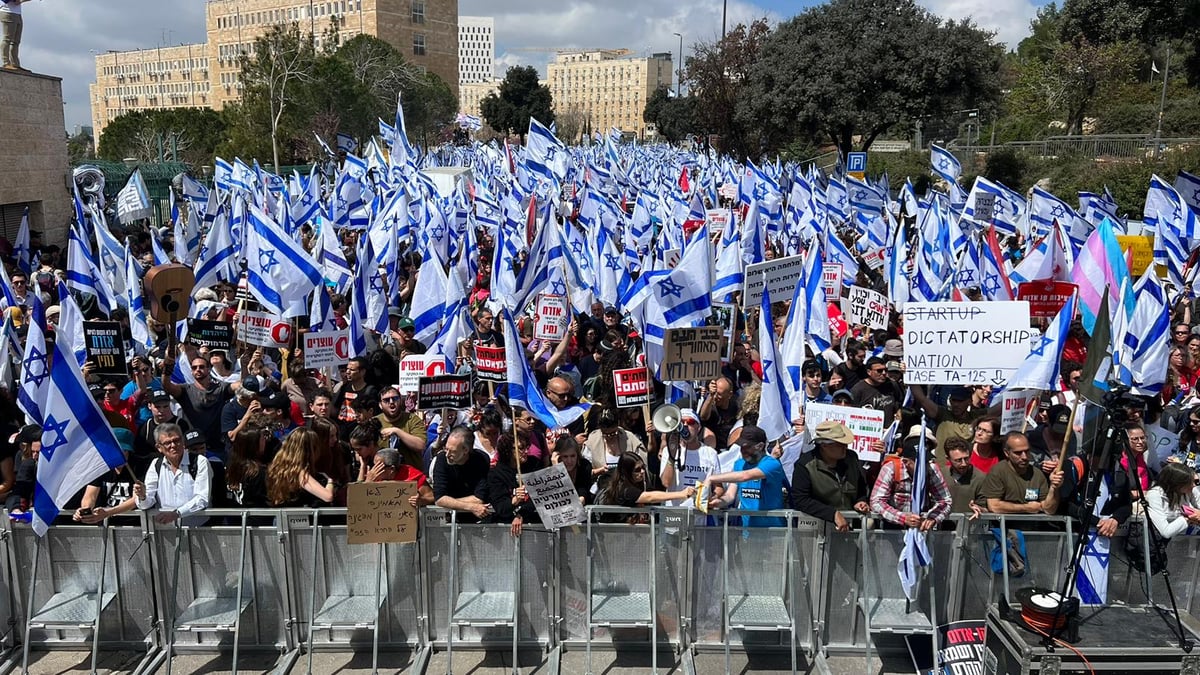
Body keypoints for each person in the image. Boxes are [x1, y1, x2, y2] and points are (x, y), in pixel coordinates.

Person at [790, 421, 871, 532]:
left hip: (849, 527)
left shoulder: (852, 459)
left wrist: (860, 501)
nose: (845, 447)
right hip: (815, 529)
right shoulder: (804, 465)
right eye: (840, 444)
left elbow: (861, 486)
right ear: (824, 445)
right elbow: (801, 500)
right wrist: (832, 514)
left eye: (845, 444)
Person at [703, 425, 788, 527]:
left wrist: (711, 478)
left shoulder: (772, 464)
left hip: (773, 531)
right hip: (746, 532)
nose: (742, 450)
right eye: (741, 446)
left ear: (760, 446)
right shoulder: (739, 464)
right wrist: (719, 502)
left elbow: (745, 476)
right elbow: (730, 495)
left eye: (747, 446)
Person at [869, 428, 952, 531]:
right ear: (906, 461)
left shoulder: (932, 469)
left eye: (926, 460)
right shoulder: (891, 469)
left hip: (921, 527)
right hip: (893, 528)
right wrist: (904, 518)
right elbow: (876, 501)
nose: (924, 465)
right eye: (919, 462)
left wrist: (933, 518)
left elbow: (945, 500)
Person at [135, 423, 212, 525]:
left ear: (183, 441)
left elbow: (202, 499)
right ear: (159, 447)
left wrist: (177, 513)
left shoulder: (200, 462)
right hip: (166, 531)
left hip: (198, 530)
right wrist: (143, 496)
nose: (173, 445)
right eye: (167, 443)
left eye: (176, 440)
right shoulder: (156, 465)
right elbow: (146, 504)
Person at [978, 432, 1063, 515]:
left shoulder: (1037, 474)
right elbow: (994, 506)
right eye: (1018, 453)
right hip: (1004, 527)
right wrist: (1026, 508)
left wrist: (1054, 488)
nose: (1024, 457)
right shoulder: (998, 472)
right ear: (1007, 453)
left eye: (1027, 451)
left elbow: (1049, 509)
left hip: (1032, 527)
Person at [598, 452, 696, 522]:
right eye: (637, 470)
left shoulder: (640, 483)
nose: (642, 472)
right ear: (627, 472)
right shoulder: (624, 489)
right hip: (613, 535)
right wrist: (681, 494)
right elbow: (650, 497)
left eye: (643, 467)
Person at [659, 408, 721, 509]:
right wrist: (672, 456)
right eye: (682, 422)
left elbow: (718, 487)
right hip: (674, 513)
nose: (686, 425)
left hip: (700, 514)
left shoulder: (710, 453)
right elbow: (666, 483)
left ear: (699, 428)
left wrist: (713, 497)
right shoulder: (668, 450)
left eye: (691, 422)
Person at [430, 426, 492, 522]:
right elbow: (439, 499)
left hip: (477, 520)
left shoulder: (481, 460)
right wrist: (471, 507)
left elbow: (479, 499)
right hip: (451, 520)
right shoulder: (442, 459)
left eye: (453, 451)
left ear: (465, 450)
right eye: (446, 449)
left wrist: (450, 502)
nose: (447, 454)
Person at [487, 434, 543, 535]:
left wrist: (521, 514)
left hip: (535, 526)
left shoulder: (534, 464)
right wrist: (514, 500)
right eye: (521, 448)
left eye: (527, 447)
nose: (526, 451)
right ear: (508, 450)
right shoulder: (496, 473)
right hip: (507, 530)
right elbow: (500, 507)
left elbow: (540, 495)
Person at [374, 385, 427, 468]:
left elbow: (420, 445)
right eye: (386, 400)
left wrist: (397, 431)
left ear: (400, 400)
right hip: (383, 474)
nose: (391, 402)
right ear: (380, 405)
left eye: (395, 398)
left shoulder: (412, 419)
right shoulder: (374, 422)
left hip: (411, 475)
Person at [1144, 462, 1200, 539]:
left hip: (1191, 538)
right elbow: (1166, 532)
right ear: (1176, 483)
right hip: (1166, 544)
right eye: (1189, 482)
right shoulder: (1155, 495)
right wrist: (1188, 519)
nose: (1194, 485)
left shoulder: (1190, 491)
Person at [367, 448, 435, 508]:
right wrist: (368, 482)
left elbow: (433, 497)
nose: (374, 470)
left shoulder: (412, 476)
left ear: (391, 469)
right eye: (374, 465)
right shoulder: (373, 477)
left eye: (378, 466)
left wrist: (422, 500)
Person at [851, 357, 904, 427]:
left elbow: (899, 402)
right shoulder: (858, 389)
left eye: (885, 370)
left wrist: (899, 413)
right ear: (869, 372)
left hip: (890, 431)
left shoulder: (892, 385)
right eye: (879, 371)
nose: (884, 373)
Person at [225, 425, 270, 508]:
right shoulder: (259, 473)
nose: (265, 441)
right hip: (258, 519)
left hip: (235, 518)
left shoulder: (231, 466)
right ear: (254, 445)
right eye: (262, 439)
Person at [943, 438, 986, 518]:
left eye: (966, 459)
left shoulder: (980, 478)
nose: (964, 464)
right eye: (958, 460)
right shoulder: (941, 475)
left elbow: (986, 508)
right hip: (945, 527)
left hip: (970, 526)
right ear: (948, 458)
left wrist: (979, 509)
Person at [551, 435, 594, 504]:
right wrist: (557, 469)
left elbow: (583, 492)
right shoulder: (551, 468)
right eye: (565, 456)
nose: (569, 461)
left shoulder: (584, 465)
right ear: (558, 456)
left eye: (573, 456)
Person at [699, 376, 739, 450]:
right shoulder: (710, 406)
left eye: (719, 394)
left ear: (729, 395)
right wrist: (711, 395)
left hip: (731, 448)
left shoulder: (736, 406)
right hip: (714, 448)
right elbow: (703, 417)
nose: (715, 397)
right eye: (715, 393)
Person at [0, 0, 28, 71]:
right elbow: (16, 1)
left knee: (16, 41)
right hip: (7, 12)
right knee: (7, 39)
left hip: (17, 14)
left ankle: (15, 64)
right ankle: (6, 63)